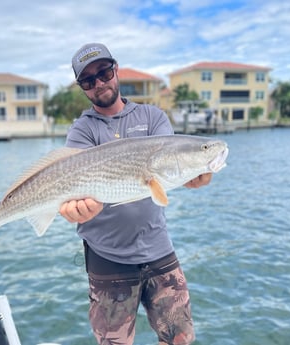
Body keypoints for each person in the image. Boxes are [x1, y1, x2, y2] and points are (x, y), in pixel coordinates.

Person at [59, 42, 212, 345]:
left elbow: (172, 164)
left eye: (103, 72)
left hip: (159, 251)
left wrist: (194, 173)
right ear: (82, 88)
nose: (99, 83)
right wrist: (73, 210)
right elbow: (71, 187)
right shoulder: (82, 131)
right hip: (107, 257)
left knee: (180, 338)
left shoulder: (153, 117)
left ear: (115, 70)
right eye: (89, 80)